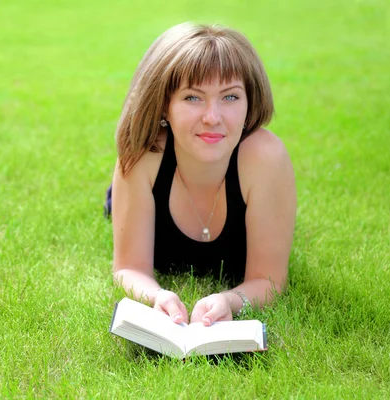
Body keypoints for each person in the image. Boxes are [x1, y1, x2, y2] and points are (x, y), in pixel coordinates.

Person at [110, 22, 296, 326]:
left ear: (249, 104)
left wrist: (230, 301)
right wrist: (157, 297)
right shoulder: (143, 154)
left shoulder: (265, 158)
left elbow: (269, 280)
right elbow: (128, 268)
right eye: (193, 97)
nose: (213, 117)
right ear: (164, 106)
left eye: (231, 97)